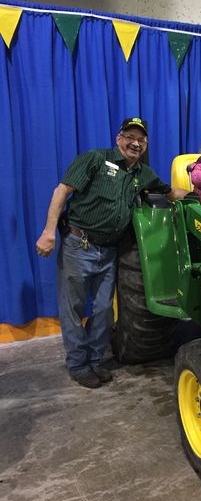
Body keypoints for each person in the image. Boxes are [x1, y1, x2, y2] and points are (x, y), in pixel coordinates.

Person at [36, 117, 187, 389]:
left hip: (108, 252)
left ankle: (95, 360)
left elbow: (170, 192)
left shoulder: (143, 174)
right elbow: (62, 191)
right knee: (74, 308)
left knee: (104, 309)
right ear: (119, 138)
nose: (135, 143)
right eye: (130, 137)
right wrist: (48, 232)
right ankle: (78, 364)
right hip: (78, 244)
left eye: (141, 140)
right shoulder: (94, 159)